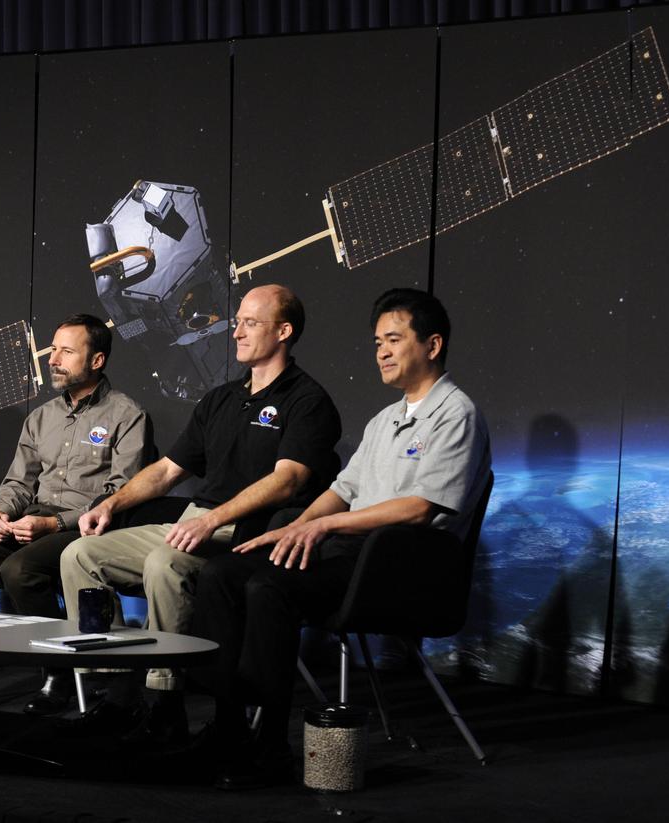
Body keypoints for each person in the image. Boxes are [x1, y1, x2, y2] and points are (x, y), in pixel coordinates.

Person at [193, 287, 491, 790]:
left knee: (270, 589)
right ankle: (228, 727)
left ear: (433, 345)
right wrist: (293, 528)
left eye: (394, 340)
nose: (381, 351)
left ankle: (269, 750)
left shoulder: (456, 414)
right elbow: (342, 489)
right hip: (351, 556)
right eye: (377, 341)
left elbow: (419, 508)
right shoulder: (384, 420)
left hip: (400, 567)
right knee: (222, 573)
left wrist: (322, 526)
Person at [59, 284, 341, 741]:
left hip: (246, 532)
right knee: (80, 555)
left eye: (251, 322)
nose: (237, 332)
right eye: (239, 321)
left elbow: (288, 479)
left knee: (163, 563)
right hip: (195, 519)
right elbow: (167, 471)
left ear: (284, 331)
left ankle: (165, 701)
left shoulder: (306, 400)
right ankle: (120, 688)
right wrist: (110, 503)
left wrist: (212, 519)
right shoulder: (220, 399)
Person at [0, 314, 151, 713]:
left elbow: (122, 493)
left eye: (67, 351)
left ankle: (58, 672)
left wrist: (54, 523)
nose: (53, 358)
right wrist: (1, 513)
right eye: (53, 349)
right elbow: (18, 481)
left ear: (97, 360)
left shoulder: (126, 414)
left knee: (19, 570)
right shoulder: (42, 417)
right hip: (30, 520)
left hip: (84, 528)